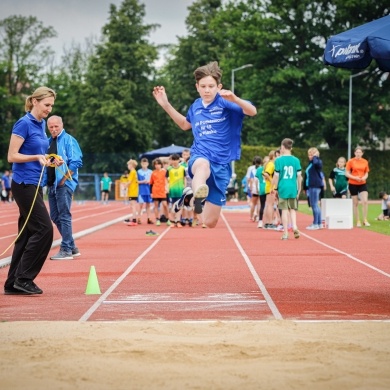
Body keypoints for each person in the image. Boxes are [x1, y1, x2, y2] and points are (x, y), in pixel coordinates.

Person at [152, 61, 257, 228]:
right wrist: (166, 105)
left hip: (222, 165)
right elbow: (185, 125)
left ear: (218, 86)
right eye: (203, 86)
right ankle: (195, 193)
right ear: (197, 87)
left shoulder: (225, 102)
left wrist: (235, 99)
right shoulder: (195, 107)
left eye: (211, 86)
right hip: (201, 155)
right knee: (202, 165)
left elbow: (252, 111)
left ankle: (191, 197)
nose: (207, 90)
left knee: (209, 222)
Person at [4, 86, 57, 295]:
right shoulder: (23, 123)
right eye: (46, 105)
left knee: (26, 234)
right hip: (23, 184)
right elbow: (12, 156)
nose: (49, 109)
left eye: (51, 105)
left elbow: (38, 151)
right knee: (45, 230)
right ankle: (24, 278)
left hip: (36, 183)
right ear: (34, 101)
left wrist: (50, 159)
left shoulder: (41, 123)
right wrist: (36, 157)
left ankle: (12, 283)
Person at [43, 115, 83, 260]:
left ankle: (66, 249)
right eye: (51, 127)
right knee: (54, 216)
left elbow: (76, 162)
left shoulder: (69, 140)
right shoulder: (48, 143)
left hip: (63, 184)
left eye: (56, 126)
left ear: (62, 125)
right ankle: (72, 247)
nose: (53, 129)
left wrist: (64, 180)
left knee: (64, 215)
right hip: (52, 185)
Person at [272, 138, 302, 240]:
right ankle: (294, 226)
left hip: (283, 187)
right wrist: (299, 188)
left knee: (284, 211)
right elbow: (299, 176)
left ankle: (285, 233)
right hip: (293, 187)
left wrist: (274, 188)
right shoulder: (296, 160)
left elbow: (276, 176)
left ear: (283, 147)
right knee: (292, 209)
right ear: (291, 147)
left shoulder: (278, 160)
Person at [345, 147, 370, 227]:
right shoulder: (350, 161)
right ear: (354, 153)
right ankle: (358, 220)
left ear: (362, 153)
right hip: (353, 183)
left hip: (362, 183)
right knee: (355, 203)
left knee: (365, 201)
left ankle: (365, 220)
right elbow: (347, 173)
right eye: (357, 152)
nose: (358, 154)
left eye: (360, 152)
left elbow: (366, 173)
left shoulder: (365, 161)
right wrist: (355, 177)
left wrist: (364, 178)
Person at [304, 147, 324, 230]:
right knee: (315, 205)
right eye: (309, 154)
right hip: (311, 186)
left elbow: (317, 164)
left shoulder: (317, 161)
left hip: (315, 185)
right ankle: (319, 223)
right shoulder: (310, 163)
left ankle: (316, 223)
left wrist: (315, 156)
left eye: (312, 154)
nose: (310, 156)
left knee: (314, 204)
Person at [166, 153, 186, 228]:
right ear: (171, 160)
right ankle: (172, 221)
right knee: (172, 206)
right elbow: (166, 180)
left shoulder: (182, 168)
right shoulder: (169, 169)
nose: (174, 161)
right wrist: (167, 188)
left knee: (180, 206)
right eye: (173, 160)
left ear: (178, 160)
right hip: (172, 191)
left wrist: (185, 187)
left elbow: (184, 179)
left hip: (180, 190)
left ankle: (178, 221)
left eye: (176, 160)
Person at [150, 158, 170, 226]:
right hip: (155, 191)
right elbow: (151, 183)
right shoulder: (153, 173)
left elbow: (167, 180)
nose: (157, 165)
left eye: (158, 164)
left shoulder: (164, 172)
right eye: (155, 164)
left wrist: (167, 188)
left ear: (161, 165)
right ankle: (157, 219)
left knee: (165, 205)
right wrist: (151, 193)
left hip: (162, 191)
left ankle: (167, 219)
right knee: (156, 205)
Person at [137, 158, 153, 224]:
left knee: (148, 205)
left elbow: (152, 181)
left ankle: (149, 218)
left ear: (148, 164)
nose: (144, 165)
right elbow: (136, 181)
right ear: (141, 164)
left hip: (148, 190)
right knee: (140, 205)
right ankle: (139, 218)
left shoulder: (150, 171)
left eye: (145, 163)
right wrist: (143, 181)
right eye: (143, 163)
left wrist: (149, 181)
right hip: (141, 190)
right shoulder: (138, 172)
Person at [125, 159, 139, 226]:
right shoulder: (134, 172)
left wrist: (125, 186)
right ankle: (134, 218)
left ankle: (134, 220)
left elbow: (129, 182)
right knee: (132, 205)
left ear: (131, 165)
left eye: (128, 164)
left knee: (133, 206)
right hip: (134, 191)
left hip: (132, 191)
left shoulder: (132, 172)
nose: (128, 166)